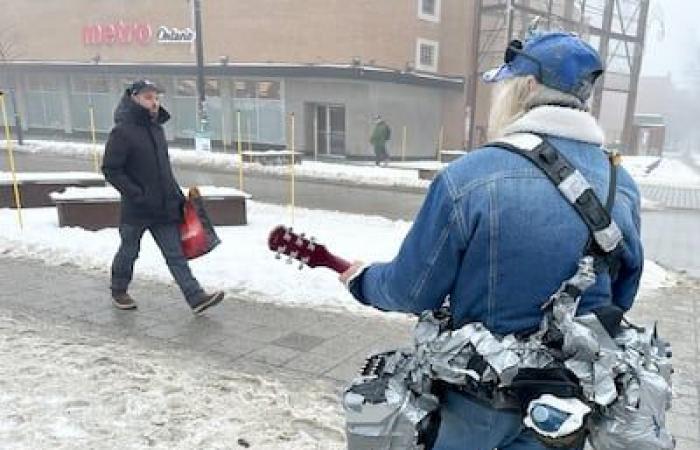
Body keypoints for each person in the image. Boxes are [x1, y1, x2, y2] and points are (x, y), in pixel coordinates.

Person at [340, 32, 643, 450]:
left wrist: (362, 280)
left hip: (477, 410)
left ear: (528, 87)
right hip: (566, 413)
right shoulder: (619, 184)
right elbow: (623, 293)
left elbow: (411, 292)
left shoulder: (470, 177)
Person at [102, 79, 224, 314]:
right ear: (134, 98)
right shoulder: (122, 132)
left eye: (156, 98)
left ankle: (196, 297)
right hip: (136, 210)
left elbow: (162, 171)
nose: (154, 102)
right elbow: (111, 170)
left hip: (163, 208)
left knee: (175, 255)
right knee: (129, 251)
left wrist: (177, 197)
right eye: (148, 97)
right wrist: (138, 195)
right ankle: (119, 289)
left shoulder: (157, 129)